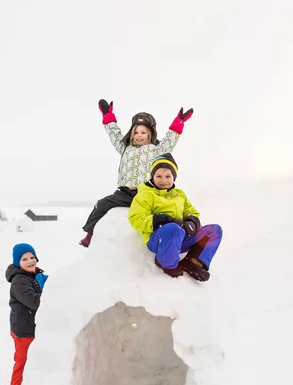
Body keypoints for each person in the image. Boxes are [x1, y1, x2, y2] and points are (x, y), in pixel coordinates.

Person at [79, 100, 194, 247]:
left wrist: (179, 122)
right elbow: (114, 135)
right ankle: (90, 234)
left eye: (143, 132)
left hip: (145, 193)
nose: (139, 136)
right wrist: (108, 116)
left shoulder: (155, 149)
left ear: (150, 133)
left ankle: (167, 236)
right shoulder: (125, 148)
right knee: (101, 205)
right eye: (136, 132)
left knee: (155, 213)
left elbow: (169, 142)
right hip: (124, 193)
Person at [128, 154, 223, 282]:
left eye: (168, 176)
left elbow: (192, 211)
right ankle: (167, 263)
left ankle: (193, 261)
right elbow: (136, 219)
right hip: (159, 239)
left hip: (181, 237)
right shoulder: (145, 195)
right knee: (173, 229)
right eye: (159, 176)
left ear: (174, 177)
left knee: (214, 230)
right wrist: (158, 220)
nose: (163, 180)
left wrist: (191, 222)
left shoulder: (179, 194)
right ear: (153, 177)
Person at [5, 243, 48, 385]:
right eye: (24, 259)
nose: (30, 261)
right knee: (22, 364)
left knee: (34, 364)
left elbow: (56, 284)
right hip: (23, 330)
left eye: (32, 257)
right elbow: (34, 302)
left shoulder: (37, 275)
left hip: (33, 327)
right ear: (18, 263)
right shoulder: (19, 281)